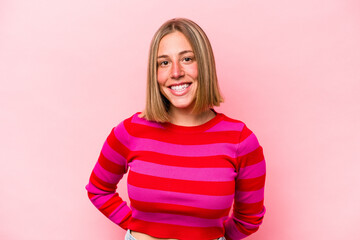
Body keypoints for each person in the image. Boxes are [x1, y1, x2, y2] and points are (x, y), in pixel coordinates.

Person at [86, 18, 266, 240]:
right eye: (164, 63)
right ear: (155, 73)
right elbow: (98, 189)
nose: (176, 72)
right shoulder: (131, 131)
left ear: (205, 64)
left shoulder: (240, 140)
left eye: (187, 59)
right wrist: (136, 226)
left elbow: (249, 219)